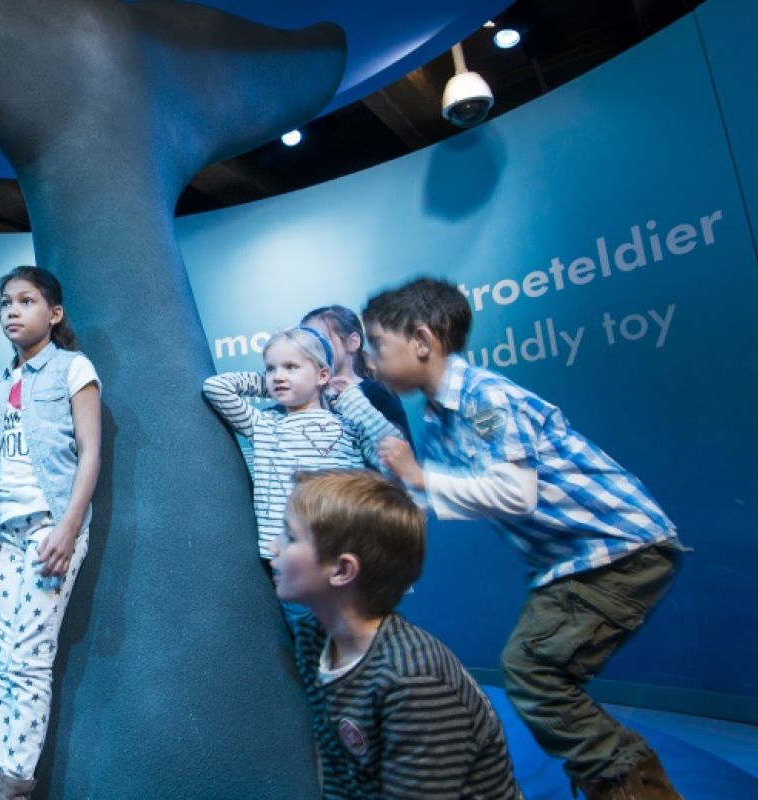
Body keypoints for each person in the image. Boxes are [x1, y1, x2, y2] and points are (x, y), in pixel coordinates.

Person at [364, 277, 683, 800]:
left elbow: (514, 494)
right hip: (579, 562)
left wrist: (419, 478)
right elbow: (445, 498)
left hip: (619, 549)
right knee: (538, 671)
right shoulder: (438, 417)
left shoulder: (484, 398)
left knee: (532, 670)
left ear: (422, 340)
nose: (372, 362)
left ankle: (638, 791)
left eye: (377, 345)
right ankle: (619, 780)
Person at [270, 470, 521, 799]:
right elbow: (338, 767)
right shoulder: (313, 638)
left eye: (290, 536)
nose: (273, 546)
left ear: (342, 570)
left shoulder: (413, 680)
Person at [0, 266, 101, 800]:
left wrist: (69, 527)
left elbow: (91, 452)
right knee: (7, 663)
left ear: (54, 312)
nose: (13, 311)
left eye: (26, 301)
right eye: (5, 304)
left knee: (28, 660)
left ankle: (7, 788)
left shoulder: (74, 368)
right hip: (2, 536)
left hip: (50, 528)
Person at [202, 326, 402, 567]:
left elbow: (392, 453)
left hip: (344, 544)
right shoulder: (264, 424)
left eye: (291, 367)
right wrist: (272, 386)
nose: (278, 375)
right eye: (270, 369)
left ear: (322, 375)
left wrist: (351, 398)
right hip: (289, 554)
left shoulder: (349, 424)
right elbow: (216, 388)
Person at [300, 304, 412, 441]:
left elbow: (400, 453)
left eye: (319, 340)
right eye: (305, 343)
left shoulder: (378, 393)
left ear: (352, 342)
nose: (310, 350)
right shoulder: (303, 394)